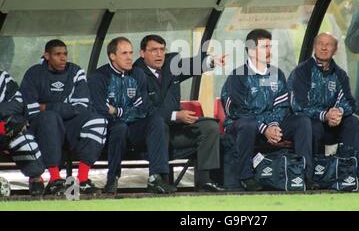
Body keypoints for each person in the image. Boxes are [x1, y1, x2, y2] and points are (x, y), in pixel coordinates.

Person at [221, 29, 312, 191]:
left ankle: (304, 174)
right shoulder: (237, 77)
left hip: (272, 127)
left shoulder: (276, 74)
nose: (269, 51)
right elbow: (237, 111)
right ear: (251, 50)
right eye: (265, 47)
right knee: (247, 124)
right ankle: (245, 177)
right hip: (244, 128)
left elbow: (282, 105)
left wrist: (274, 125)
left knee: (302, 121)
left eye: (270, 46)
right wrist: (264, 128)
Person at [134, 34, 225, 192]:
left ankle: (205, 181)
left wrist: (211, 61)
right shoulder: (135, 75)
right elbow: (145, 110)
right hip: (150, 133)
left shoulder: (171, 64)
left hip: (176, 129)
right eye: (154, 50)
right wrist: (176, 115)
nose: (159, 54)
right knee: (159, 125)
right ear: (142, 53)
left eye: (162, 49)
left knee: (210, 127)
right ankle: (158, 181)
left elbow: (192, 65)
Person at [89, 37, 176, 194]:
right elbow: (100, 111)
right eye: (124, 53)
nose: (130, 57)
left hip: (134, 128)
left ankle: (156, 177)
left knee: (156, 121)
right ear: (112, 56)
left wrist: (117, 111)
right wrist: (124, 112)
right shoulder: (99, 77)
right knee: (119, 127)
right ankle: (112, 179)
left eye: (131, 52)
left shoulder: (138, 74)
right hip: (108, 131)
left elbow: (143, 109)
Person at [20, 39, 107, 196]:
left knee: (98, 120)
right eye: (57, 54)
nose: (63, 58)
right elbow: (30, 109)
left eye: (65, 54)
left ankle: (82, 179)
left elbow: (82, 107)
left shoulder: (75, 72)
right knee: (49, 118)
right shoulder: (34, 74)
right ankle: (55, 180)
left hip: (70, 125)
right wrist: (59, 109)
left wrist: (46, 106)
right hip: (42, 128)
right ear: (47, 56)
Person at [288, 33, 359, 163]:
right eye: (320, 44)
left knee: (352, 122)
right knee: (313, 125)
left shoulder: (340, 74)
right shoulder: (301, 72)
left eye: (328, 45)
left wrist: (338, 112)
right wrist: (324, 115)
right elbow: (298, 105)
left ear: (335, 50)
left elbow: (350, 102)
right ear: (314, 47)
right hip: (310, 122)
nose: (324, 48)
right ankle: (311, 173)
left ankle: (349, 171)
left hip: (332, 123)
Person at [0, 70, 45, 196]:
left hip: (6, 129)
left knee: (22, 137)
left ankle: (35, 179)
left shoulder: (3, 78)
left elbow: (18, 103)